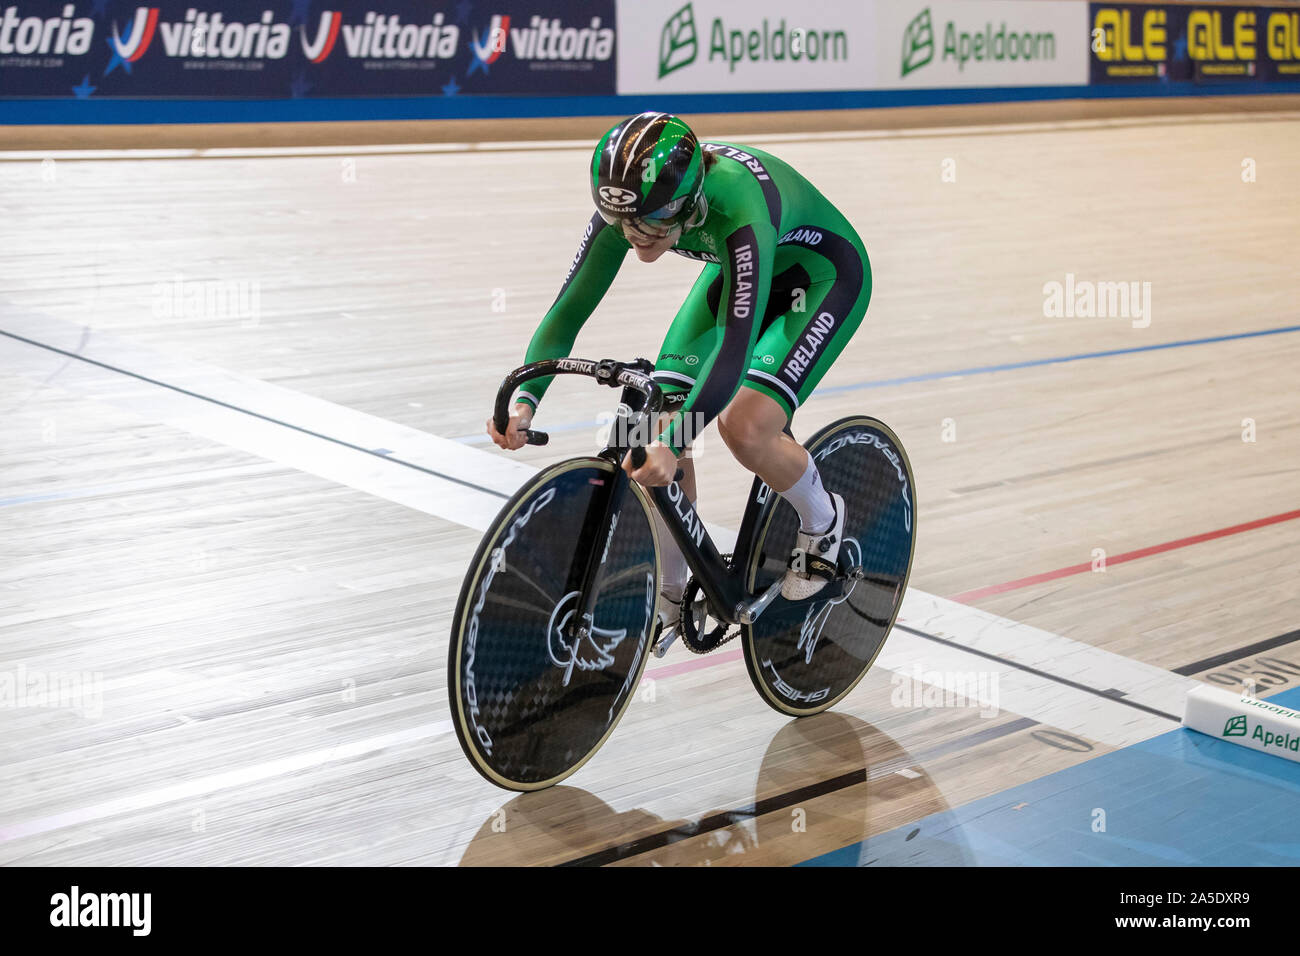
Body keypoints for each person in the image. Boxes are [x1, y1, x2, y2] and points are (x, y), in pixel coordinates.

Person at [487, 111, 872, 633]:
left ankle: (822, 521)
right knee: (648, 434)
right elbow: (567, 312)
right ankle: (672, 596)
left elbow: (733, 351)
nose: (635, 235)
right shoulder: (627, 207)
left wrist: (680, 438)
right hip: (736, 268)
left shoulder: (737, 207)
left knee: (744, 426)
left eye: (650, 222)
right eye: (624, 222)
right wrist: (524, 401)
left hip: (823, 274)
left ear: (689, 203)